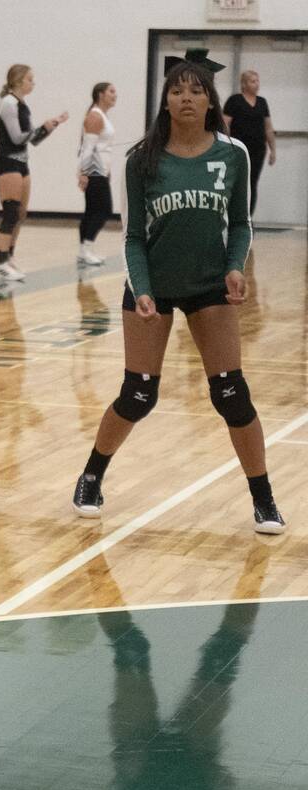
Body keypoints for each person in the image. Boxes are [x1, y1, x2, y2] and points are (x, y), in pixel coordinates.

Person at [70, 51, 285, 535]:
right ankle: (90, 476)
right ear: (165, 101)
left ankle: (264, 499)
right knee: (139, 394)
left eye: (195, 90)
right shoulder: (140, 159)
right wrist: (142, 289)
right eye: (176, 90)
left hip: (210, 288)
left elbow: (241, 224)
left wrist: (234, 268)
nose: (186, 98)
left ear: (210, 100)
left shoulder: (234, 153)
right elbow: (131, 238)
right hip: (154, 289)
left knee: (232, 395)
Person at [0, 64, 68, 282]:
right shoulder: (8, 103)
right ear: (17, 80)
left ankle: (9, 257)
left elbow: (32, 140)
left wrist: (49, 127)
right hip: (7, 163)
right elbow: (16, 138)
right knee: (10, 213)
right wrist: (40, 127)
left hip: (22, 163)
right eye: (30, 79)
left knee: (21, 213)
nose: (32, 83)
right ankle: (0, 263)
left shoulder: (22, 104)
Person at [223, 70, 275, 214]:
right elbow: (225, 123)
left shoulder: (262, 102)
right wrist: (227, 144)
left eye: (257, 81)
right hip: (238, 149)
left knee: (252, 183)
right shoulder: (234, 100)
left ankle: (247, 218)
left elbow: (268, 128)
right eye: (253, 81)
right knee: (236, 183)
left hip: (258, 150)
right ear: (244, 84)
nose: (257, 84)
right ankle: (231, 216)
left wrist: (273, 150)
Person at [76, 82, 116, 265]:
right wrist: (84, 173)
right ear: (101, 94)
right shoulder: (95, 116)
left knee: (92, 211)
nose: (115, 95)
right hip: (94, 171)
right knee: (103, 210)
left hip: (100, 171)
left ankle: (84, 251)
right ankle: (86, 248)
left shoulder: (102, 116)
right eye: (111, 91)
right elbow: (87, 148)